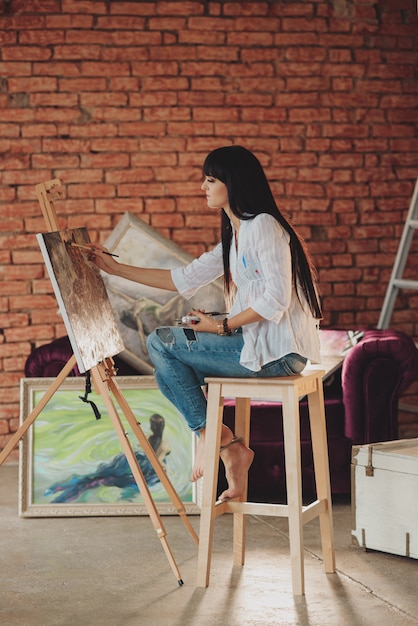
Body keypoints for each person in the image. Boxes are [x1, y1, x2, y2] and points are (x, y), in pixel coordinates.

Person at [88, 145, 322, 502]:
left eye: (211, 179)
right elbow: (182, 278)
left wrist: (220, 327)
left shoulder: (263, 226)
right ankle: (225, 446)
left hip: (279, 355)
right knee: (169, 366)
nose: (203, 186)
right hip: (258, 346)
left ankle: (214, 438)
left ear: (233, 182)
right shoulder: (235, 234)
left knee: (161, 345)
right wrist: (114, 268)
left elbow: (275, 299)